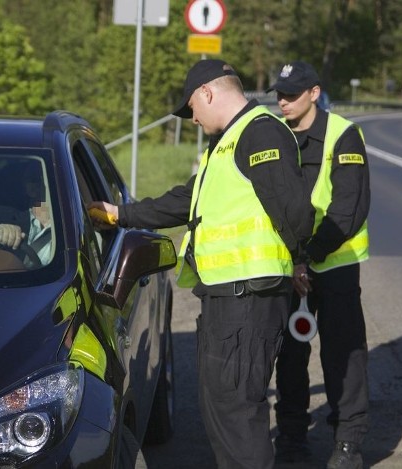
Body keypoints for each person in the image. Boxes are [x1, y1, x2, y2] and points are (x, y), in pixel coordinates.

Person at [89, 59, 313, 469]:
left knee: (239, 418)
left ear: (208, 93)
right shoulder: (226, 145)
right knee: (223, 414)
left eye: (191, 106)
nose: (191, 118)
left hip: (249, 299)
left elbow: (297, 214)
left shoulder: (259, 132)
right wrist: (120, 215)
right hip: (229, 300)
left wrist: (295, 261)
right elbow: (183, 201)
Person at [267, 61, 370, 469]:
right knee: (290, 356)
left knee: (344, 356)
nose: (283, 101)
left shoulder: (343, 134)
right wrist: (294, 260)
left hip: (336, 264)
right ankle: (292, 439)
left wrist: (311, 255)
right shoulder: (273, 135)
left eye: (292, 94)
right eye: (279, 94)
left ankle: (348, 442)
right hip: (289, 268)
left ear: (314, 93)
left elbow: (349, 209)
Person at [0, 161, 53, 267]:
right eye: (33, 179)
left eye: (45, 178)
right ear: (26, 187)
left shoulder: (70, 226)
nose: (38, 184)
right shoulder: (0, 216)